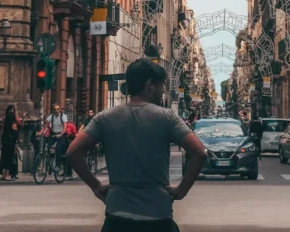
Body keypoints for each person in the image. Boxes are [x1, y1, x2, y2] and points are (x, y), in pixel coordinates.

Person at [67, 57, 207, 232]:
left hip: (117, 216)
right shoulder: (167, 117)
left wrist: (96, 186)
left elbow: (73, 152)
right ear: (150, 85)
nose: (162, 91)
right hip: (158, 216)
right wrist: (181, 190)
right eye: (161, 86)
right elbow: (199, 152)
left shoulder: (105, 117)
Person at [0, 104, 24, 181]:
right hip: (11, 143)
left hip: (5, 142)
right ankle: (7, 175)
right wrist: (18, 140)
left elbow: (2, 132)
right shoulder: (13, 125)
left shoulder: (6, 122)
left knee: (4, 158)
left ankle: (3, 175)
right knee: (9, 159)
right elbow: (15, 134)